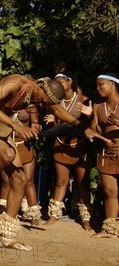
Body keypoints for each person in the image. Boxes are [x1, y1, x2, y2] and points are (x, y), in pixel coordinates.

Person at [0, 74, 103, 250]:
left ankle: (6, 237)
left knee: (20, 179)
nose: (42, 105)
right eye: (43, 100)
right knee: (8, 154)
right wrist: (16, 126)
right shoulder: (15, 84)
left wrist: (84, 127)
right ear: (40, 87)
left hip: (0, 133)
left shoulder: (40, 96)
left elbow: (60, 113)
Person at [44, 72, 93, 232]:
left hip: (80, 147)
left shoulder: (83, 100)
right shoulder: (55, 102)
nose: (58, 85)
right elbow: (54, 130)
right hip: (61, 146)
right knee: (60, 182)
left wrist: (89, 116)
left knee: (83, 184)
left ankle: (86, 219)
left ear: (70, 82)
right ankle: (54, 215)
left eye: (60, 81)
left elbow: (90, 126)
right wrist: (52, 123)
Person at [89, 73, 119, 238]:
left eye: (101, 84)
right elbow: (95, 129)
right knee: (109, 192)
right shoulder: (98, 107)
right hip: (106, 154)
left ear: (112, 84)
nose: (98, 88)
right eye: (97, 85)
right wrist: (93, 129)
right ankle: (110, 229)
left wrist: (116, 123)